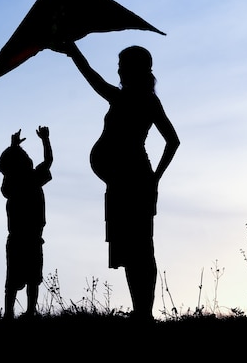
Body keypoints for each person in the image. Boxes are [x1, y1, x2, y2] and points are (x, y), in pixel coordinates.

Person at [56, 41, 180, 322]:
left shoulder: (138, 99)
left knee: (140, 249)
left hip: (132, 180)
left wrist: (155, 178)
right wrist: (154, 179)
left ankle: (143, 313)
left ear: (134, 69)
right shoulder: (136, 98)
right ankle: (141, 312)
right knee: (133, 248)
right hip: (126, 181)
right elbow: (173, 142)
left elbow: (173, 141)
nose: (118, 71)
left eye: (122, 66)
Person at [0, 126, 53, 319]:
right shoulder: (31, 179)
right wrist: (45, 140)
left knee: (14, 280)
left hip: (19, 238)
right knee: (31, 279)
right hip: (31, 238)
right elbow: (48, 161)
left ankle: (10, 313)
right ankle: (28, 311)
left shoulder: (11, 183)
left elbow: (46, 162)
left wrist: (13, 147)